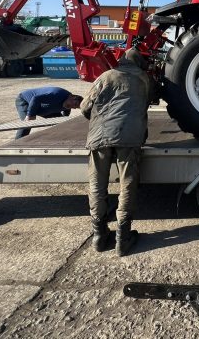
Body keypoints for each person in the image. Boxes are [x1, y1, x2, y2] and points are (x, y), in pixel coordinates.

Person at [82, 48, 155, 256]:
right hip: (130, 137)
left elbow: (85, 107)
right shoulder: (144, 79)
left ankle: (99, 234)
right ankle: (123, 237)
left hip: (99, 136)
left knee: (97, 184)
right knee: (127, 184)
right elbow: (151, 99)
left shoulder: (105, 76)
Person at [14, 87, 82, 139]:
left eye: (75, 107)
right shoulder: (57, 94)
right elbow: (35, 99)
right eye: (75, 104)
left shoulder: (68, 104)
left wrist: (64, 120)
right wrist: (30, 115)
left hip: (42, 107)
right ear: (72, 96)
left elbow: (66, 111)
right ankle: (16, 145)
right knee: (27, 124)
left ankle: (58, 140)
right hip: (25, 100)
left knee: (61, 123)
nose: (73, 107)